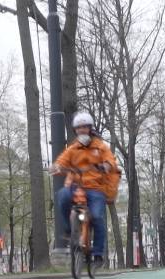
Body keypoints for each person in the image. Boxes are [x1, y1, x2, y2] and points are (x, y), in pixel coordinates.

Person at [50, 112, 118, 269]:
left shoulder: (100, 146)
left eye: (84, 127)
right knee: (62, 195)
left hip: (95, 188)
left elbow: (110, 159)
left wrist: (106, 165)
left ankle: (98, 254)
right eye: (78, 128)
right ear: (75, 130)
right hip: (76, 186)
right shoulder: (73, 149)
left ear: (90, 128)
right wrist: (56, 167)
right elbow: (61, 161)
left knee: (97, 217)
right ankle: (69, 230)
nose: (82, 130)